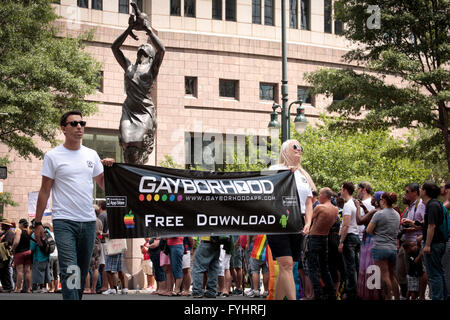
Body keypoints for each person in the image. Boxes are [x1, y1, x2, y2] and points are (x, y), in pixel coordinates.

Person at [33, 110, 115, 300]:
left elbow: (103, 183)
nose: (79, 126)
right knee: (70, 269)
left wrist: (111, 169)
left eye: (82, 123)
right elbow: (45, 190)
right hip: (64, 221)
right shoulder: (53, 156)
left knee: (81, 270)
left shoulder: (91, 154)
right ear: (63, 129)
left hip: (88, 222)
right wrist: (37, 223)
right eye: (74, 123)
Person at [111, 5, 165, 164]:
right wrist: (129, 29)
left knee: (140, 143)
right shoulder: (129, 67)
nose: (142, 48)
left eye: (145, 48)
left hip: (144, 109)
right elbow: (114, 47)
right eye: (140, 48)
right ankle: (130, 177)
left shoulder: (152, 69)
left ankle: (138, 174)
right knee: (127, 142)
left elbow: (162, 50)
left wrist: (147, 29)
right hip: (129, 109)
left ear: (150, 55)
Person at [266, 139, 315, 300]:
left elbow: (309, 203)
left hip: (298, 221)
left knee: (288, 266)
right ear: (285, 151)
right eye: (295, 147)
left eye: (301, 147)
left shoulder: (303, 175)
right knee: (286, 265)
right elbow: (263, 189)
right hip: (279, 220)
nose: (299, 150)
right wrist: (285, 174)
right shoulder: (274, 169)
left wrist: (308, 223)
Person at [366, 192, 401, 300]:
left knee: (384, 276)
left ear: (384, 201)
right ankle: (398, 298)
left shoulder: (379, 214)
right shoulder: (397, 214)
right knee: (392, 275)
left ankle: (388, 298)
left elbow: (368, 230)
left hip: (380, 248)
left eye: (381, 199)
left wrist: (377, 233)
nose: (379, 201)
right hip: (393, 248)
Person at [307, 187, 339, 300]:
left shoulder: (320, 207)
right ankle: (331, 294)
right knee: (325, 268)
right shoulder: (335, 209)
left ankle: (318, 294)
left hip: (315, 237)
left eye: (320, 194)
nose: (319, 196)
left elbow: (309, 219)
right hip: (325, 238)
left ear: (325, 196)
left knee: (312, 267)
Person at [399, 183, 427, 299]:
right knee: (410, 273)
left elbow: (425, 223)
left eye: (407, 191)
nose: (405, 194)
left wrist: (410, 223)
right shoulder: (411, 206)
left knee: (420, 271)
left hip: (416, 244)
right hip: (408, 244)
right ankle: (413, 294)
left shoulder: (420, 205)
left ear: (415, 193)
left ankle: (421, 296)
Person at [420, 181, 447, 300]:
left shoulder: (432, 205)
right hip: (438, 243)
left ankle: (438, 297)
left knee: (434, 274)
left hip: (434, 243)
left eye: (421, 188)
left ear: (425, 191)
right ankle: (442, 296)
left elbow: (432, 225)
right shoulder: (435, 204)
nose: (420, 190)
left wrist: (427, 244)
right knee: (439, 273)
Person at [355, 191, 384, 300]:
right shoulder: (379, 211)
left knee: (369, 268)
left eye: (374, 197)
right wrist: (364, 208)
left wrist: (358, 207)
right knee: (374, 269)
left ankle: (370, 295)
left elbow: (360, 221)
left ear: (376, 200)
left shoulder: (375, 211)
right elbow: (370, 219)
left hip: (369, 243)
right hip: (376, 242)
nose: (371, 198)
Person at [338, 182, 361, 300]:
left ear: (346, 190)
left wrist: (341, 241)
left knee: (350, 267)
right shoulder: (354, 204)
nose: (340, 191)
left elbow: (345, 225)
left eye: (341, 189)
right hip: (356, 236)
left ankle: (351, 293)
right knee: (355, 266)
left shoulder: (347, 205)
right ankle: (357, 290)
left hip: (349, 237)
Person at [11, 218, 32, 293]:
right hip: (28, 252)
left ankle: (19, 288)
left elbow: (16, 242)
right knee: (28, 271)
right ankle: (28, 289)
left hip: (19, 253)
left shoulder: (19, 231)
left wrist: (12, 249)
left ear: (21, 224)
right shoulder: (29, 231)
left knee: (19, 271)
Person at [30, 223, 52, 293]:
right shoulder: (47, 232)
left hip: (38, 257)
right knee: (46, 272)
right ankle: (45, 287)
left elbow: (32, 248)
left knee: (39, 272)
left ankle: (41, 287)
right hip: (47, 256)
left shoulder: (34, 235)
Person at [96, 200, 109, 293]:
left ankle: (104, 286)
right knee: (106, 264)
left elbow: (100, 232)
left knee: (103, 264)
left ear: (100, 206)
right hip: (108, 243)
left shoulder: (101, 216)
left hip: (103, 242)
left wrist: (99, 234)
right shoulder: (109, 215)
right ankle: (106, 285)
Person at [0, 219, 15, 292]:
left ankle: (8, 287)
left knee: (5, 271)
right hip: (2, 255)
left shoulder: (10, 233)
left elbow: (7, 243)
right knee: (2, 271)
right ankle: (5, 286)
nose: (1, 226)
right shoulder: (4, 233)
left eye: (3, 225)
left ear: (7, 226)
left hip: (6, 255)